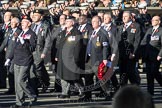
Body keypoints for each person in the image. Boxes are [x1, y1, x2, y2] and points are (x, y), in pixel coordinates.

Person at [7, 15, 37, 108]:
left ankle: (31, 94)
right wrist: (9, 58)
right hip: (16, 60)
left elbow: (32, 47)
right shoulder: (19, 33)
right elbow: (14, 47)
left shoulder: (31, 34)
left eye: (24, 22)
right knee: (17, 83)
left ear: (29, 24)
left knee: (21, 80)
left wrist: (25, 42)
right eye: (22, 22)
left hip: (25, 60)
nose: (22, 23)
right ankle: (19, 102)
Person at [79, 16, 109, 101]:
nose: (92, 23)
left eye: (95, 21)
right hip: (89, 58)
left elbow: (105, 46)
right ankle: (88, 96)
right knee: (88, 78)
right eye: (92, 21)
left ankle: (107, 93)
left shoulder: (103, 33)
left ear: (99, 22)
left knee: (101, 77)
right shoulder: (92, 32)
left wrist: (105, 58)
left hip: (98, 59)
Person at [55, 16, 84, 98]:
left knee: (74, 76)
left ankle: (81, 90)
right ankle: (65, 93)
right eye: (66, 21)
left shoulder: (76, 32)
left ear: (72, 23)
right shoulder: (63, 32)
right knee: (63, 76)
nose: (66, 22)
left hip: (71, 58)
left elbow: (78, 46)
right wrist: (57, 55)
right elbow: (59, 45)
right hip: (62, 58)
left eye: (68, 21)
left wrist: (76, 58)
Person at [117, 11, 141, 86]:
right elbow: (118, 41)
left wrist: (133, 53)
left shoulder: (136, 26)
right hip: (122, 54)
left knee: (131, 74)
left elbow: (137, 41)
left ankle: (136, 92)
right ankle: (124, 94)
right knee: (122, 75)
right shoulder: (121, 27)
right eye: (123, 16)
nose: (123, 18)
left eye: (126, 16)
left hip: (130, 54)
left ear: (130, 17)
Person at [141, 15, 162, 95]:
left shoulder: (161, 31)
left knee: (155, 72)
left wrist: (160, 55)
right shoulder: (149, 30)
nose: (152, 21)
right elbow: (143, 41)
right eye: (152, 20)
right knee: (149, 74)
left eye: (155, 20)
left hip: (156, 56)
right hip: (148, 56)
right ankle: (150, 91)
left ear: (159, 22)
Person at [31, 9, 51, 94]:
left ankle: (43, 83)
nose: (34, 16)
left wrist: (44, 52)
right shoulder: (31, 26)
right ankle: (45, 82)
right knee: (38, 68)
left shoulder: (45, 26)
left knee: (37, 67)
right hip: (31, 50)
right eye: (34, 15)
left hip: (40, 50)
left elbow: (48, 40)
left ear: (41, 16)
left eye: (36, 15)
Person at [1, 17, 21, 94]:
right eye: (11, 23)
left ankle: (15, 88)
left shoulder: (19, 32)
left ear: (18, 24)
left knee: (12, 71)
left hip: (14, 55)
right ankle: (11, 88)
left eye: (13, 23)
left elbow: (14, 45)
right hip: (8, 54)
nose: (12, 24)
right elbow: (4, 43)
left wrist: (10, 57)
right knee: (9, 72)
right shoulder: (10, 31)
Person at [0, 11, 12, 89]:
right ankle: (2, 83)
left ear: (11, 17)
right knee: (1, 68)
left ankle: (11, 87)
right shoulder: (2, 26)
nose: (4, 17)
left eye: (7, 16)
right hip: (2, 50)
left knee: (9, 69)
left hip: (8, 50)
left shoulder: (12, 26)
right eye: (4, 16)